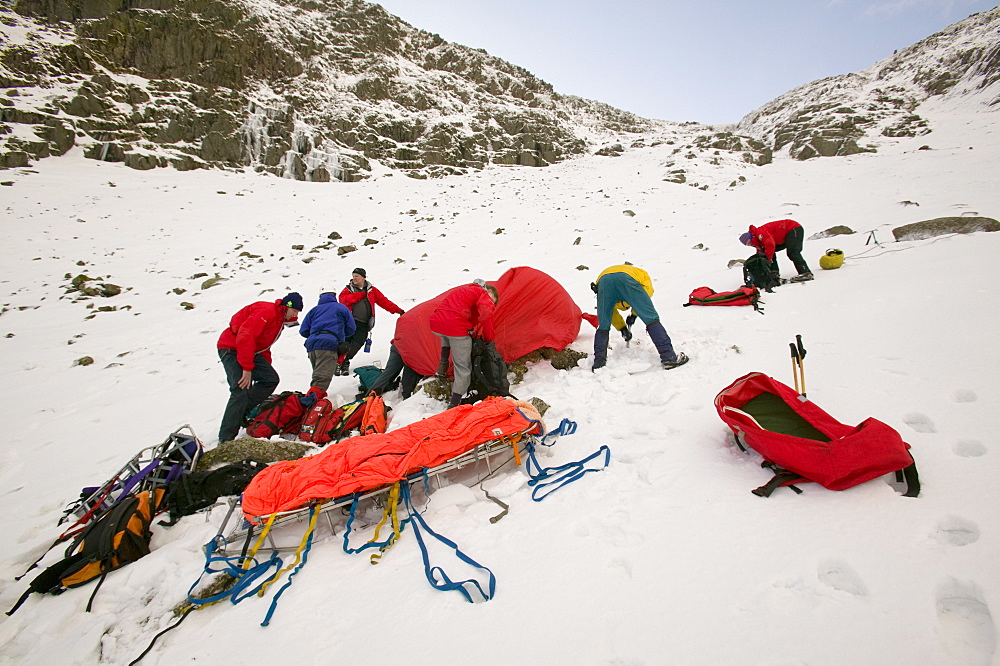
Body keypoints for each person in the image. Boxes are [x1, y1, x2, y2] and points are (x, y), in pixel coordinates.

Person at [216, 292, 302, 443]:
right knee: (240, 389)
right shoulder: (267, 312)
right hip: (231, 348)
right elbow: (245, 335)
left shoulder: (279, 320)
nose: (295, 315)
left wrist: (265, 367)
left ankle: (242, 412)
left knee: (270, 379)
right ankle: (226, 438)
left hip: (250, 351)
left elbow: (264, 346)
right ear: (287, 306)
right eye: (294, 311)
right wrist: (247, 368)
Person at [591, 265, 687, 371]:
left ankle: (599, 363)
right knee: (651, 318)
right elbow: (645, 295)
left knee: (603, 324)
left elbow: (609, 313)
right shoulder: (641, 274)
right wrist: (631, 318)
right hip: (626, 278)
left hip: (603, 280)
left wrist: (627, 322)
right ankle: (669, 358)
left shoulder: (640, 275)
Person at [429, 280, 499, 408]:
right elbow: (486, 315)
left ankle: (443, 363)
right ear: (489, 291)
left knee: (447, 334)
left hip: (436, 323)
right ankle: (454, 404)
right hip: (454, 327)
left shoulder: (464, 290)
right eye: (493, 301)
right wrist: (489, 339)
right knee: (463, 367)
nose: (491, 303)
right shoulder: (483, 293)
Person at [337, 267, 404, 377]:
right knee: (346, 342)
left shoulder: (371, 290)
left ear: (363, 277)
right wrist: (359, 295)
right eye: (353, 276)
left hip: (364, 323)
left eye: (357, 276)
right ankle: (340, 363)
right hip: (350, 321)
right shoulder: (348, 289)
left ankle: (345, 361)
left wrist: (398, 310)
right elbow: (343, 300)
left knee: (358, 342)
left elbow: (383, 301)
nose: (354, 278)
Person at [299, 289, 356, 394]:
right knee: (322, 379)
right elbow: (351, 328)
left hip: (312, 345)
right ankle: (311, 403)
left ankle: (313, 399)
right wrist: (339, 335)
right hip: (328, 344)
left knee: (318, 376)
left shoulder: (314, 310)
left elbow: (303, 331)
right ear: (334, 295)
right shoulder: (340, 308)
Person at [740, 219, 813, 281]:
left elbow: (770, 243)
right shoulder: (759, 243)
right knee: (767, 253)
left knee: (793, 252)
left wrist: (769, 258)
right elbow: (762, 255)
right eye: (747, 245)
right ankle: (775, 274)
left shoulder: (760, 232)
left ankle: (805, 272)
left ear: (751, 237)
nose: (750, 245)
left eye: (749, 242)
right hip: (785, 236)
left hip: (793, 228)